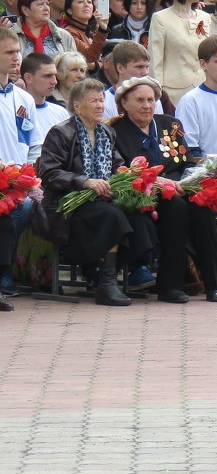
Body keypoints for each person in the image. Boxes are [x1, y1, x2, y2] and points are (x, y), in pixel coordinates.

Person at [36, 78, 155, 306]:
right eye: (94, 101)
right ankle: (106, 283)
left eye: (101, 100)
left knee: (137, 214)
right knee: (111, 216)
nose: (100, 106)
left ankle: (105, 274)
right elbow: (49, 174)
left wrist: (126, 180)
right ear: (78, 106)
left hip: (100, 200)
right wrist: (85, 182)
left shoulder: (106, 132)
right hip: (66, 203)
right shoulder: (61, 133)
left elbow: (116, 167)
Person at [111, 76, 217, 303]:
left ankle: (214, 283)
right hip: (143, 191)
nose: (147, 106)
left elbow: (187, 160)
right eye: (140, 101)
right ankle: (170, 285)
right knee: (176, 207)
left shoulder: (169, 124)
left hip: (180, 185)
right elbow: (121, 171)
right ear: (124, 103)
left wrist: (192, 181)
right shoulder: (115, 131)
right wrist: (159, 183)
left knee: (201, 205)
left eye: (151, 100)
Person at [0, 27, 43, 300]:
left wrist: (28, 175)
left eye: (18, 51)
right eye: (9, 52)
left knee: (26, 204)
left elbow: (32, 142)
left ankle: (5, 271)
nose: (17, 57)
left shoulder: (23, 97)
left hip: (18, 180)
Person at [148, 0, 210, 101]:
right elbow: (155, 62)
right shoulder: (160, 18)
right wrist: (158, 97)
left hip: (204, 89)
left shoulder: (205, 17)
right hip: (173, 95)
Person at [102, 42, 166, 120]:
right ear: (120, 68)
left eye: (147, 67)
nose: (145, 72)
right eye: (139, 67)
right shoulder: (104, 102)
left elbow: (157, 129)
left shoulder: (153, 100)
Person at [20, 53, 69, 151]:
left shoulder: (61, 112)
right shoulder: (18, 113)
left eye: (55, 75)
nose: (54, 81)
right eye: (48, 76)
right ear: (28, 78)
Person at [13, 0, 77, 59]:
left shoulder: (64, 36)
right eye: (40, 4)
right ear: (25, 10)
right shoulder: (11, 36)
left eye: (47, 4)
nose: (46, 8)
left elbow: (75, 65)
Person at [58, 0, 108, 69]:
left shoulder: (93, 32)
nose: (86, 5)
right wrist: (102, 30)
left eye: (89, 2)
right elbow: (89, 57)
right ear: (70, 10)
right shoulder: (69, 32)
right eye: (80, 2)